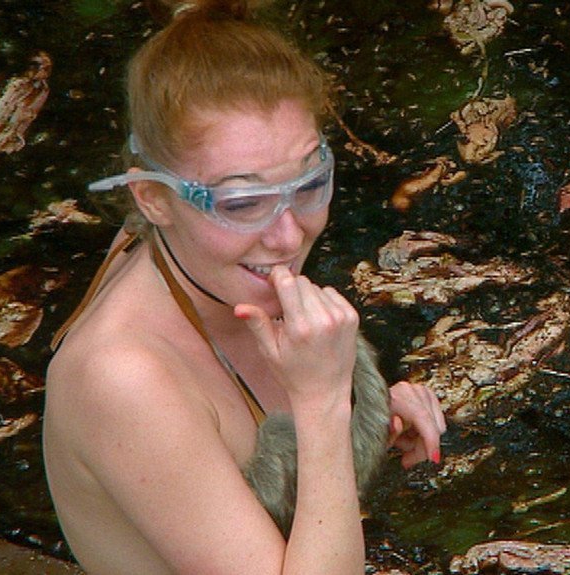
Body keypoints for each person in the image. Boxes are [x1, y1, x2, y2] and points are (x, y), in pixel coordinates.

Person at [41, 1, 447, 574]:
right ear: (152, 198)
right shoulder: (122, 380)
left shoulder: (196, 250)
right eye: (241, 202)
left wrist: (376, 420)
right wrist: (326, 402)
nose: (288, 236)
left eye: (309, 184)